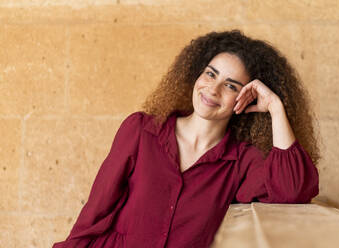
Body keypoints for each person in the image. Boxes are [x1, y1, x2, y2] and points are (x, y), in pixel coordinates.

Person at [52, 30, 320, 248]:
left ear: (246, 97)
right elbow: (96, 211)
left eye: (230, 86)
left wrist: (275, 107)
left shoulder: (240, 162)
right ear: (197, 74)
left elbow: (293, 190)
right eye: (210, 74)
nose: (212, 89)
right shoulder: (141, 131)